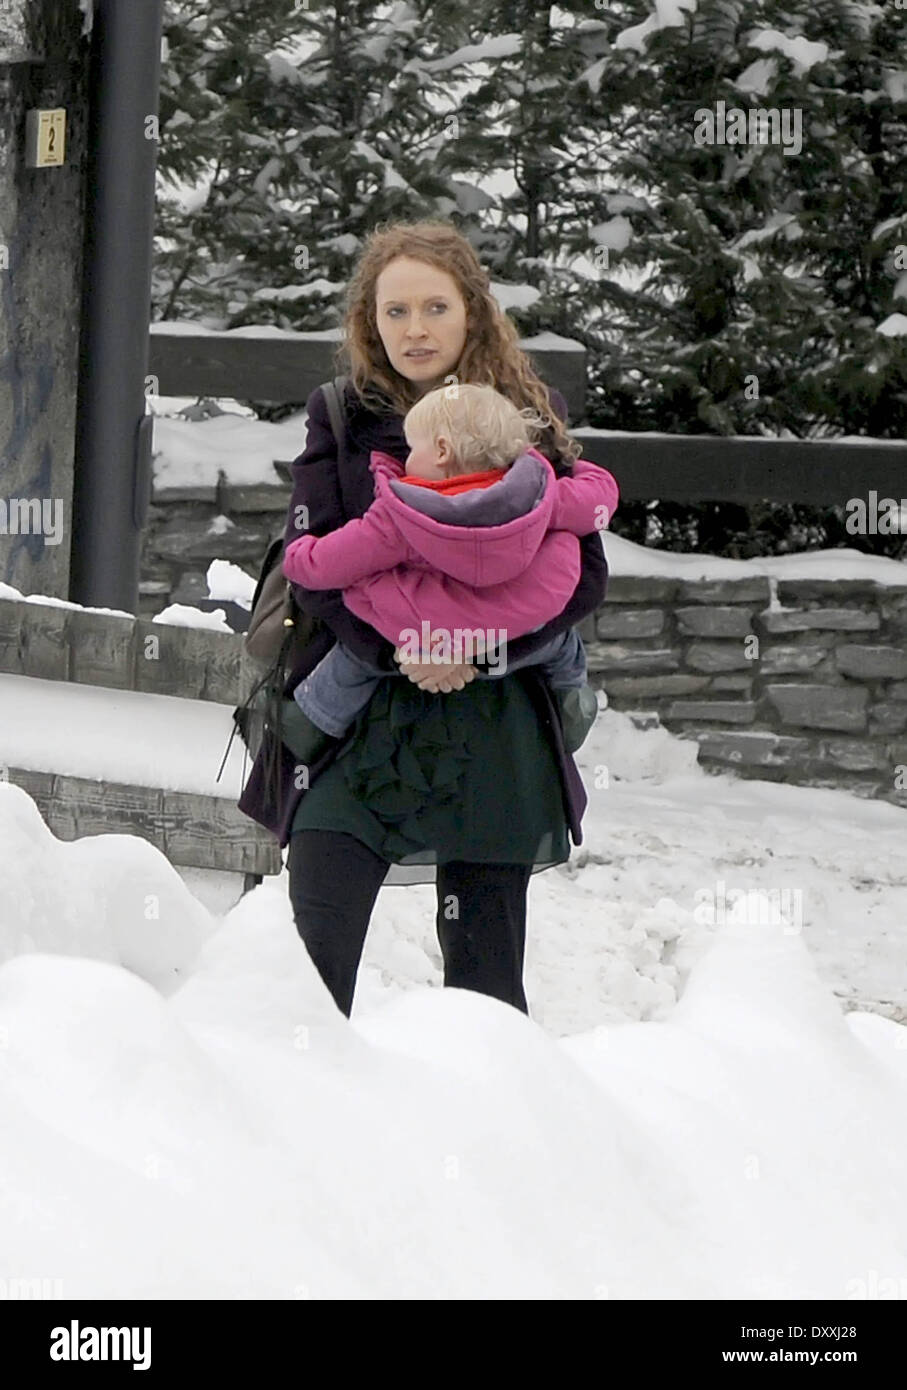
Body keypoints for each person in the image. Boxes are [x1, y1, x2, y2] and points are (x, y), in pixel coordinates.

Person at [237, 218, 614, 1019]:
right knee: (309, 965)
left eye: (434, 308)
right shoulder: (339, 414)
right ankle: (290, 1123)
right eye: (395, 311)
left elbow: (578, 574)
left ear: (471, 311)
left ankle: (482, 1128)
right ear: (368, 322)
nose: (415, 329)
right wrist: (407, 646)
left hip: (492, 721)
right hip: (360, 720)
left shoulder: (525, 412)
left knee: (486, 986)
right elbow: (316, 565)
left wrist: (468, 651)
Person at [278, 382, 618, 767]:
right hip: (511, 630)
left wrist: (299, 556)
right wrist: (583, 469)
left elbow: (330, 563)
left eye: (411, 449)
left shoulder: (402, 515)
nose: (405, 459)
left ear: (441, 450)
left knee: (354, 658)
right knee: (561, 644)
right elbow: (599, 497)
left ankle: (315, 718)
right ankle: (571, 696)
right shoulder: (543, 495)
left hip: (420, 633)